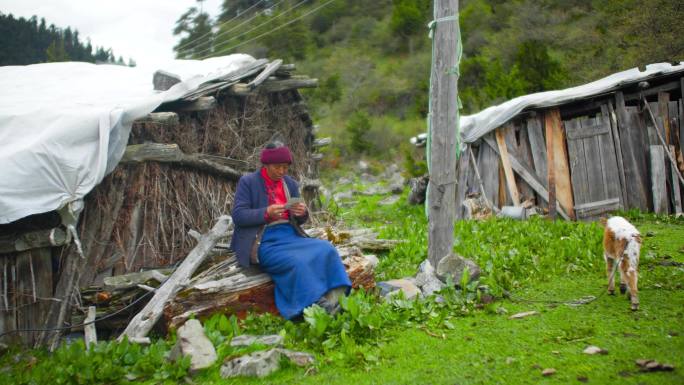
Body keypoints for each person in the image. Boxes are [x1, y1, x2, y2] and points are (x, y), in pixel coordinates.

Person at [230, 143, 351, 319]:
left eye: (285, 167)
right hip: (262, 241)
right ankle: (315, 306)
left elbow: (300, 220)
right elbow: (238, 215)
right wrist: (266, 213)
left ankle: (336, 299)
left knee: (327, 249)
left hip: (290, 236)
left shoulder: (290, 183)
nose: (281, 171)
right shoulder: (248, 182)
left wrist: (302, 213)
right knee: (297, 262)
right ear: (266, 165)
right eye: (277, 167)